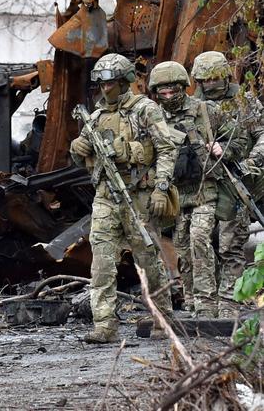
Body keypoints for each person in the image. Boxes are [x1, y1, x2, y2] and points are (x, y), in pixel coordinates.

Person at [70, 53, 175, 343]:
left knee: (148, 260)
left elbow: (166, 149)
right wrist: (78, 149)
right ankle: (104, 325)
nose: (106, 89)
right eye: (102, 84)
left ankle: (162, 317)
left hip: (138, 195)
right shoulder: (95, 117)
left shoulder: (145, 110)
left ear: (125, 81)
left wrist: (161, 187)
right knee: (101, 261)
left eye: (111, 83)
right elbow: (85, 161)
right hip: (105, 196)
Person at [149, 61, 243, 317]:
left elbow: (240, 137)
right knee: (182, 247)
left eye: (173, 91)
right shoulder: (154, 116)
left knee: (200, 239)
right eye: (162, 93)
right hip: (177, 196)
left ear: (183, 87)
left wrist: (224, 149)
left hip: (205, 190)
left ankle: (206, 303)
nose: (168, 97)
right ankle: (190, 299)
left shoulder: (205, 110)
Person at [192, 51, 264, 317]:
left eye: (213, 79)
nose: (209, 85)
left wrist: (250, 163)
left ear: (224, 76)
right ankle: (203, 302)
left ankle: (230, 303)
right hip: (206, 183)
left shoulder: (244, 102)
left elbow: (262, 135)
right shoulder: (192, 105)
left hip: (238, 181)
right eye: (203, 80)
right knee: (200, 241)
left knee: (231, 243)